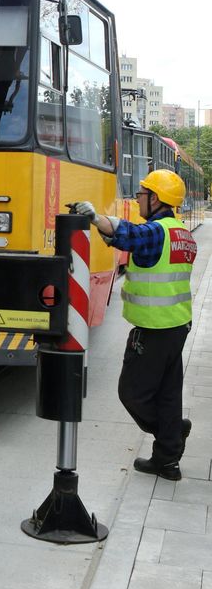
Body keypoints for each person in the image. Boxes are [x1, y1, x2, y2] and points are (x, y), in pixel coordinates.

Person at [73, 169, 197, 481]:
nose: (138, 198)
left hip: (153, 330)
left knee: (132, 394)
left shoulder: (156, 232)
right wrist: (107, 230)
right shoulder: (181, 232)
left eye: (142, 193)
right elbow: (132, 240)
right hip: (177, 326)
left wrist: (96, 218)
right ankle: (167, 461)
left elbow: (130, 233)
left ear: (156, 199)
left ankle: (171, 435)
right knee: (168, 393)